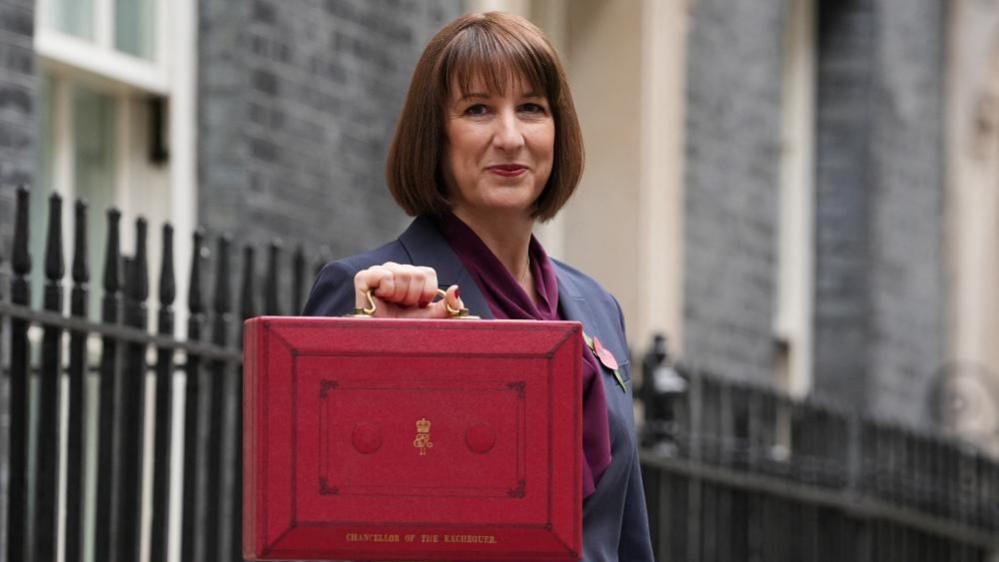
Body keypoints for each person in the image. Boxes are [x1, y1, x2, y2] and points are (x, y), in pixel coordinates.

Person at [303, 11, 654, 562]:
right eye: (478, 109)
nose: (510, 136)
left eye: (532, 109)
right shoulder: (369, 293)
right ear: (435, 137)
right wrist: (381, 349)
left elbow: (626, 533)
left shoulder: (598, 308)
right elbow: (325, 527)